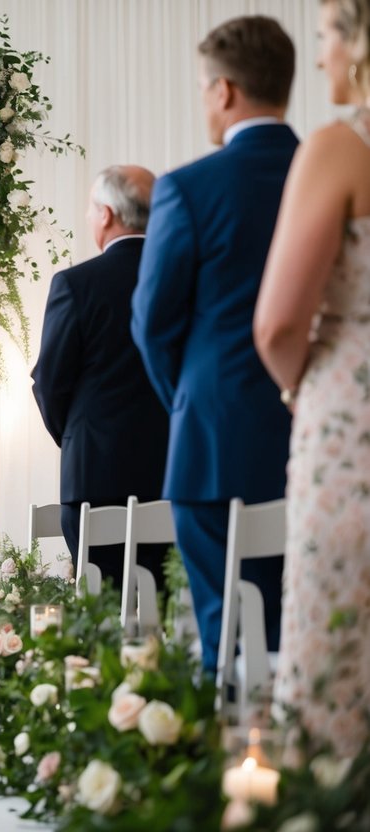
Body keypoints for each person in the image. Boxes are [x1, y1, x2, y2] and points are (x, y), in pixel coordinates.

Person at [132, 16, 296, 676]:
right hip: (318, 432)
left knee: (222, 634)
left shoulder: (189, 188)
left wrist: (186, 403)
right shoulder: (335, 172)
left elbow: (151, 323)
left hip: (211, 441)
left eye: (203, 89)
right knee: (303, 628)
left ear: (223, 90)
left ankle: (230, 761)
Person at [256, 0, 370, 757]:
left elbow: (276, 325)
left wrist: (300, 387)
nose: (320, 53)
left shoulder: (339, 146)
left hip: (350, 420)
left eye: (327, 32)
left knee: (340, 641)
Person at [31, 165, 169, 589]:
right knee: (166, 607)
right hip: (173, 472)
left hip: (94, 477)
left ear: (106, 213)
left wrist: (79, 437)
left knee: (102, 612)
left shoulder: (76, 283)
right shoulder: (187, 280)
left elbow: (49, 383)